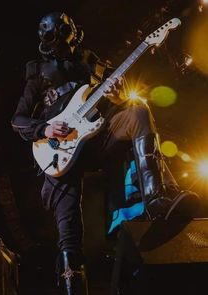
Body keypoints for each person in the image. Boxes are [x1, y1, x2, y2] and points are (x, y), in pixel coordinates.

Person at [11, 11, 200, 295]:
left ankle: (156, 198)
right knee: (69, 230)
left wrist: (117, 94)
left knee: (137, 112)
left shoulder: (92, 62)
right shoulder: (38, 72)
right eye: (52, 37)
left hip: (96, 141)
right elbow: (18, 120)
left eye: (63, 33)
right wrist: (45, 129)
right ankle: (73, 285)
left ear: (74, 32)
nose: (60, 41)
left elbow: (117, 99)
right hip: (58, 152)